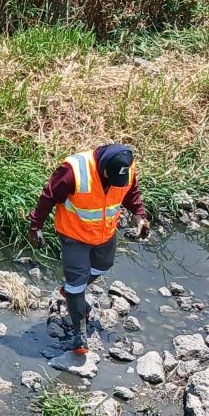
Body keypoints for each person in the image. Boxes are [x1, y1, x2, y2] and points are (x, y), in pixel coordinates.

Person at [28, 144, 150, 353]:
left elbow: (131, 192)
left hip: (105, 232)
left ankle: (70, 291)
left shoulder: (125, 167)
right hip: (74, 235)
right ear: (103, 168)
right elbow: (49, 195)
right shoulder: (74, 169)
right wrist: (35, 225)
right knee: (77, 284)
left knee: (103, 265)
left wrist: (140, 215)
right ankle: (79, 334)